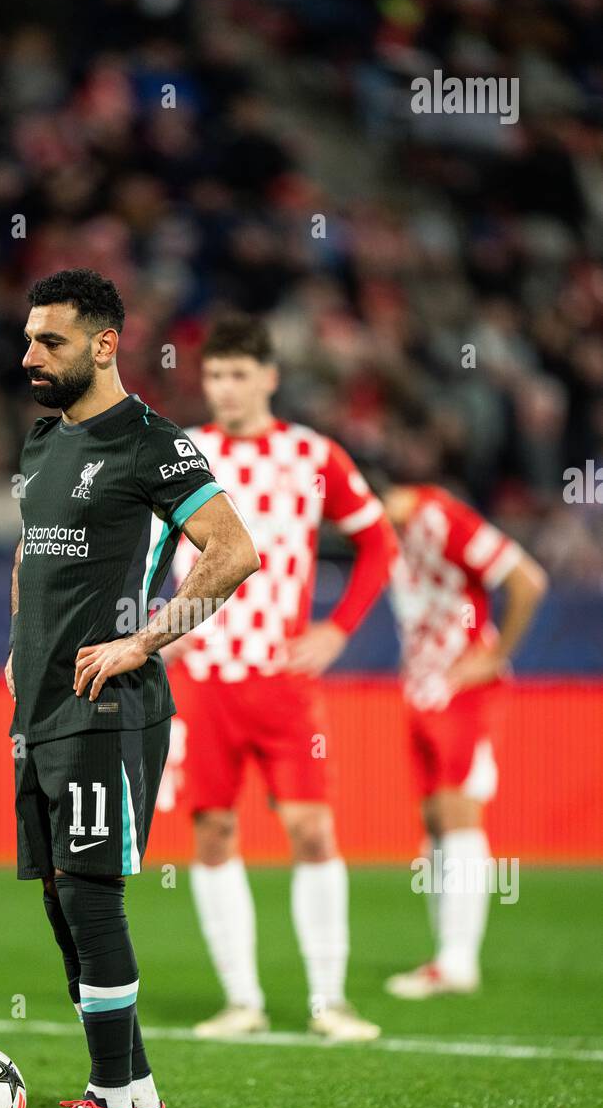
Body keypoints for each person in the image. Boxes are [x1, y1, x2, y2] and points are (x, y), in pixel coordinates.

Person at [4, 270, 260, 1108]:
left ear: (105, 345)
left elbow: (234, 553)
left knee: (90, 892)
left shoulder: (154, 443)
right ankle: (129, 1095)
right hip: (38, 707)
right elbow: (28, 559)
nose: (30, 355)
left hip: (110, 706)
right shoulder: (40, 445)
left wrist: (142, 642)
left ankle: (120, 1103)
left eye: (51, 341)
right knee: (57, 896)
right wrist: (15, 651)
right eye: (30, 338)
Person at [163, 315, 397, 1041]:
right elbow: (147, 547)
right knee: (213, 832)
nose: (224, 388)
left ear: (269, 377)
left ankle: (330, 1001)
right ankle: (243, 1001)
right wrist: (154, 628)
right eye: (213, 375)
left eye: (238, 374)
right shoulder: (184, 453)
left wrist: (338, 628)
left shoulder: (313, 454)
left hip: (281, 677)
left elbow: (378, 541)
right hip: (203, 675)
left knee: (311, 829)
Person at [381, 476, 548, 998]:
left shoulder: (440, 517)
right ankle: (446, 954)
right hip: (425, 687)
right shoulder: (397, 536)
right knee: (435, 818)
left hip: (463, 688)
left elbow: (528, 579)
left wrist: (495, 658)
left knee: (457, 811)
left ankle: (457, 963)